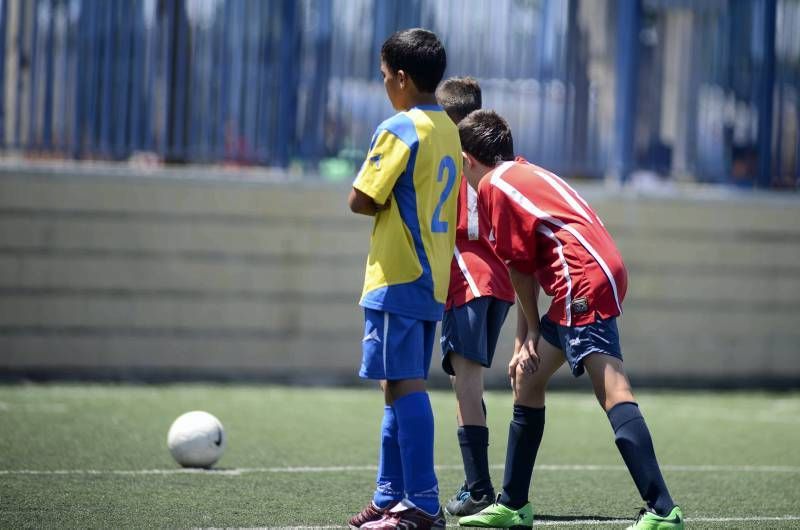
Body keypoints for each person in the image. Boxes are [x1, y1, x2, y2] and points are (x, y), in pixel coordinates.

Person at [455, 110, 684, 530]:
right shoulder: (519, 172)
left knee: (611, 387)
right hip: (585, 275)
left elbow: (520, 272)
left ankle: (662, 509)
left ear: (469, 159)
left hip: (581, 278)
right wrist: (525, 340)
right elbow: (525, 264)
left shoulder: (491, 185)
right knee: (529, 380)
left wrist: (531, 331)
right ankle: (513, 504)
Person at [346, 28, 462, 530]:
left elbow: (361, 198)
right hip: (432, 275)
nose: (384, 86)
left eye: (384, 77)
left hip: (398, 274)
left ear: (401, 77)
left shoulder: (400, 128)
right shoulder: (450, 130)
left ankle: (422, 500)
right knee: (397, 384)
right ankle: (390, 495)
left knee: (405, 384)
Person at [434, 77, 515, 517]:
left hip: (467, 279)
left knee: (465, 381)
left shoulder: (454, 160)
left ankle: (479, 488)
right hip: (501, 282)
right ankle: (475, 478)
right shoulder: (494, 161)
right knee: (467, 381)